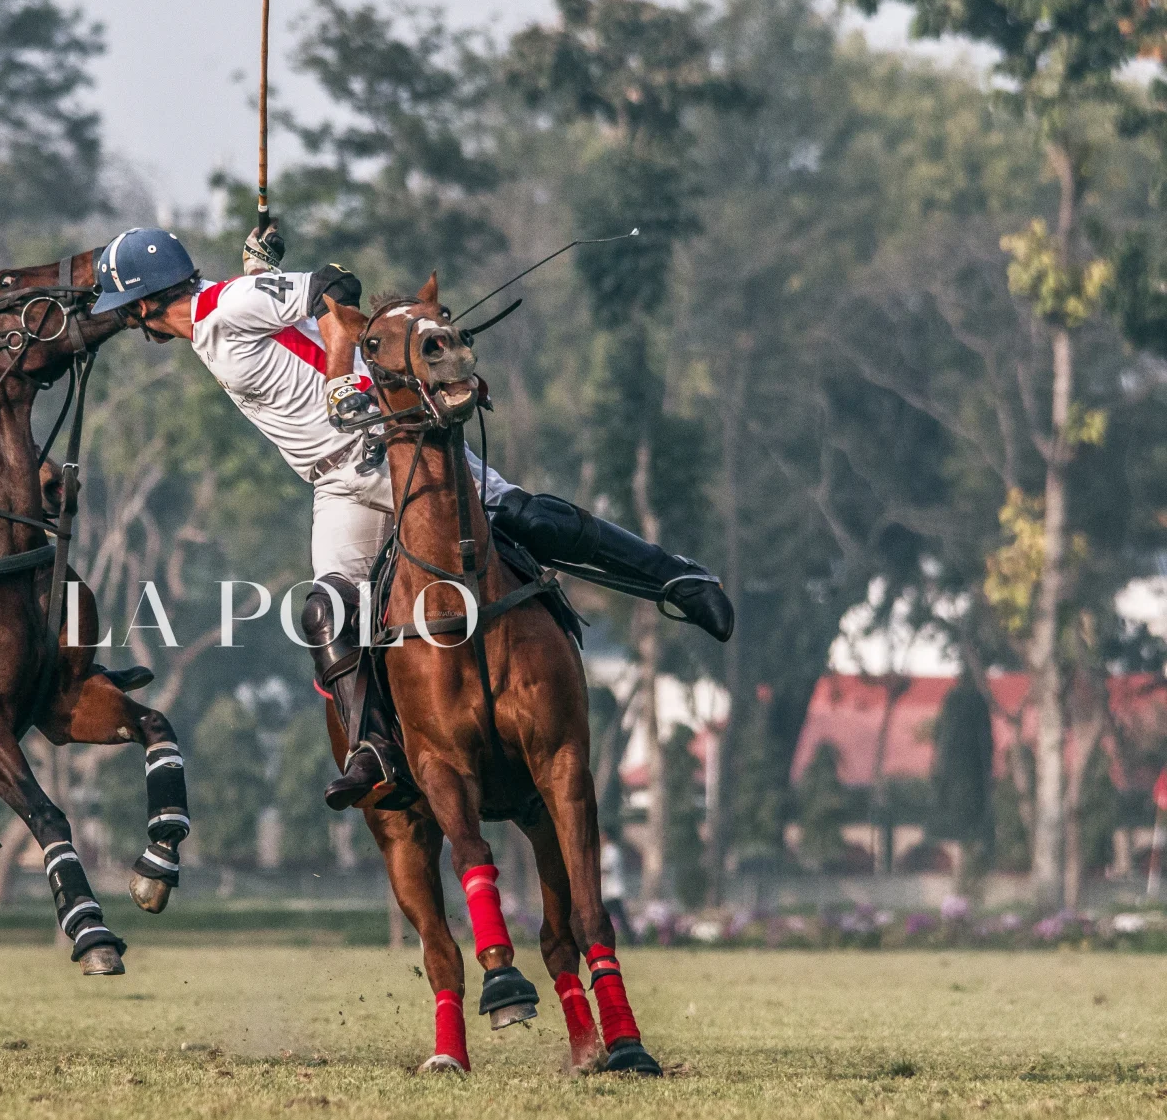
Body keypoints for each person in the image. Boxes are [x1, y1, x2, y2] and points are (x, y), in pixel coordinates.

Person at [92, 225, 734, 811]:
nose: (121, 322)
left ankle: (677, 579)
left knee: (524, 517)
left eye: (119, 310)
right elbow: (275, 312)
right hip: (336, 486)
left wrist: (340, 377)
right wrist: (260, 276)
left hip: (395, 452)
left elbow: (335, 288)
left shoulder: (228, 308)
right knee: (325, 611)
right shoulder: (223, 308)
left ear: (141, 304)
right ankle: (374, 750)